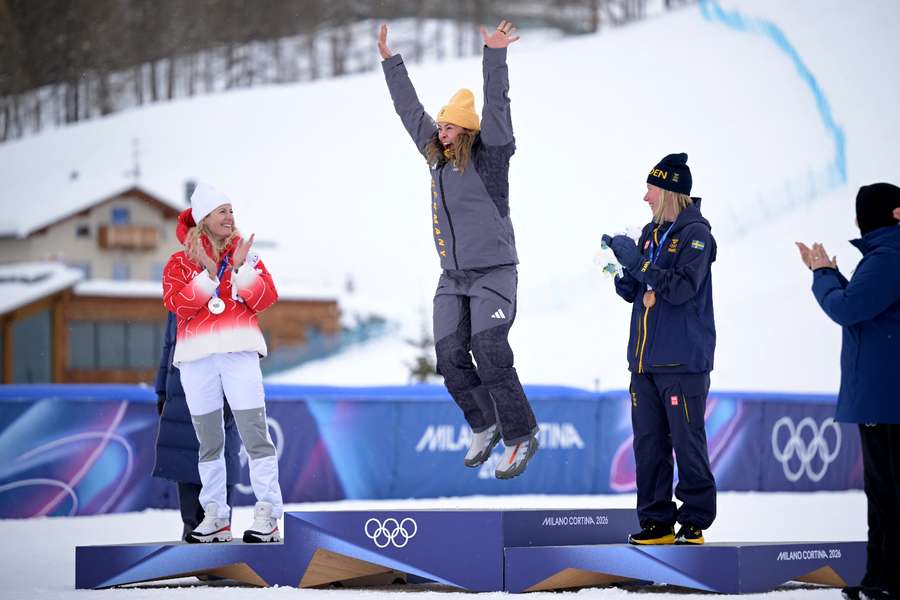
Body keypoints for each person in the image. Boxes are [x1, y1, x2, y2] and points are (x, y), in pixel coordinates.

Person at [379, 19, 539, 479]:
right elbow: (409, 111)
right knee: (449, 356)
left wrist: (495, 56)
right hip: (453, 278)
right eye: (440, 125)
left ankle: (521, 434)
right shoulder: (436, 157)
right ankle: (484, 423)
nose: (440, 131)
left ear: (465, 130)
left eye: (448, 126)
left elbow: (498, 106)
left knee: (488, 349)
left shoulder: (491, 158)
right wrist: (391, 62)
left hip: (494, 273)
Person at [604, 153, 717, 545]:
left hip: (682, 362)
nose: (645, 197)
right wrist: (623, 272)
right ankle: (656, 522)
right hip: (644, 362)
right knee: (649, 446)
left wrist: (641, 265)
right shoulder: (651, 233)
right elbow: (639, 288)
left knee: (687, 443)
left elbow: (682, 289)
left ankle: (695, 520)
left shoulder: (696, 234)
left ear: (669, 190)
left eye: (650, 188)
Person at [162, 182, 283, 543]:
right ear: (203, 219)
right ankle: (215, 515)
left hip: (239, 355)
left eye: (231, 210)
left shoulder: (247, 254)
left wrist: (242, 269)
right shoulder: (179, 263)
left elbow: (266, 297)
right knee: (209, 442)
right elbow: (178, 304)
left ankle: (269, 515)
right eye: (222, 211)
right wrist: (209, 277)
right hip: (197, 360)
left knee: (255, 436)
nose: (230, 217)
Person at [797, 183, 900, 600]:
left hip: (885, 398)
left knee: (887, 493)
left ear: (864, 219)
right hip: (885, 396)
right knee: (884, 492)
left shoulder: (889, 257)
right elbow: (864, 304)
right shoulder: (886, 257)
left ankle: (887, 579)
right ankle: (880, 576)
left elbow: (847, 309)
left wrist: (823, 274)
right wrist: (831, 275)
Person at [154, 307, 242, 541]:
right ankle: (192, 533)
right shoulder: (179, 297)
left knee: (220, 467)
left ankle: (217, 540)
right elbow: (169, 346)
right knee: (187, 468)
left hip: (218, 396)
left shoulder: (227, 291)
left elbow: (240, 348)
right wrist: (162, 389)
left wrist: (232, 397)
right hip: (182, 396)